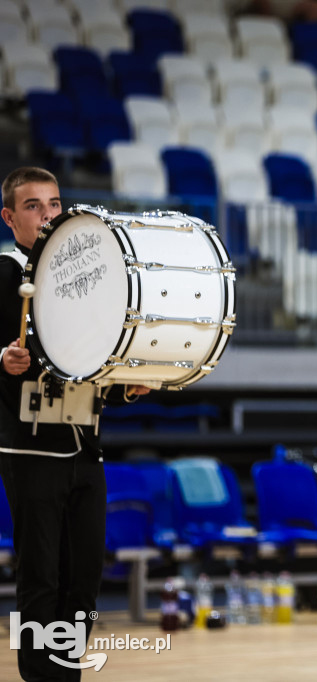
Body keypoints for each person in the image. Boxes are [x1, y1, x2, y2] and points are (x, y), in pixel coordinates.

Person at [0, 167, 151, 681]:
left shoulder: (84, 281)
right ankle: (39, 675)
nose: (48, 214)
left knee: (84, 578)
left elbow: (89, 363)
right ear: (9, 217)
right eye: (33, 206)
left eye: (54, 203)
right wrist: (0, 359)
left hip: (87, 448)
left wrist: (125, 387)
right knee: (41, 576)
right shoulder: (4, 271)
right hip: (31, 448)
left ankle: (65, 673)